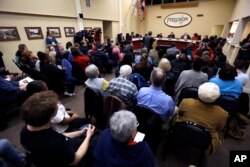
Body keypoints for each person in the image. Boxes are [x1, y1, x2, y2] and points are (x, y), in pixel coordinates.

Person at [20, 91, 96, 167]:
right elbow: (75, 160)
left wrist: (80, 132)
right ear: (51, 117)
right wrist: (88, 136)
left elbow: (58, 135)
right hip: (69, 157)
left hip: (50, 156)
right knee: (96, 142)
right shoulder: (56, 143)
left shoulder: (25, 130)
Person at [174, 82, 228, 154]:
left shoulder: (186, 102)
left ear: (199, 92)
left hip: (180, 130)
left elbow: (180, 114)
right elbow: (219, 128)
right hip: (204, 140)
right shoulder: (222, 113)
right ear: (217, 96)